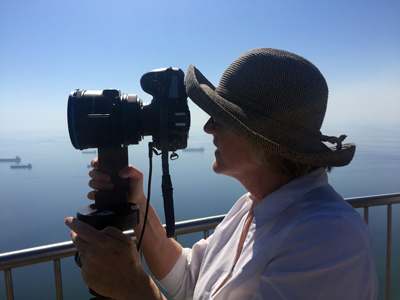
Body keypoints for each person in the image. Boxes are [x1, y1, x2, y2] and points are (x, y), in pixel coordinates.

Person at [65, 48, 378, 300]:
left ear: (260, 138)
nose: (208, 126)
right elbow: (190, 278)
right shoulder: (251, 207)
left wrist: (133, 289)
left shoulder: (328, 239)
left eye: (222, 117)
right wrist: (139, 205)